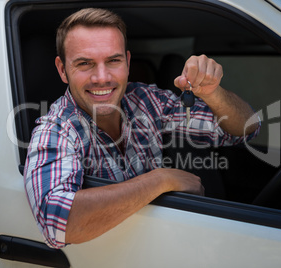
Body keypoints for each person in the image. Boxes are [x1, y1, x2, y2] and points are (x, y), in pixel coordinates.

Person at [23, 8, 260, 249]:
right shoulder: (55, 129)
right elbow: (57, 225)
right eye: (85, 63)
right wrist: (160, 179)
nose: (102, 77)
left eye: (113, 61)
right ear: (63, 70)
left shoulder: (147, 100)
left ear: (127, 62)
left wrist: (212, 92)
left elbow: (243, 130)